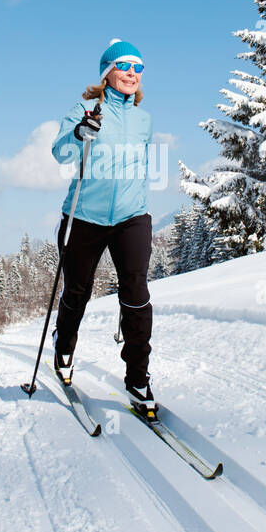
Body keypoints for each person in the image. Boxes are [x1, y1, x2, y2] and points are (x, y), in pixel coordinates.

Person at [50, 38, 156, 413]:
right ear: (107, 72)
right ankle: (63, 348)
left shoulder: (143, 120)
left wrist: (139, 204)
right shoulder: (84, 108)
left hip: (131, 216)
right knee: (77, 291)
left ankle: (138, 380)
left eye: (138, 68)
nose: (132, 74)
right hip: (84, 216)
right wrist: (80, 133)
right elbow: (60, 152)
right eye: (124, 66)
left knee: (136, 294)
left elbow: (142, 164)